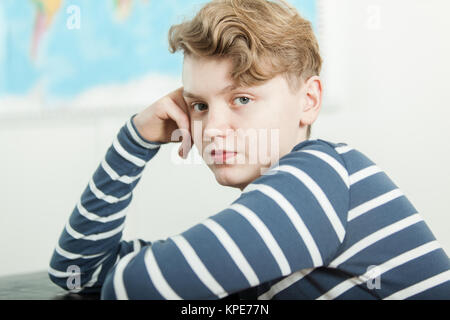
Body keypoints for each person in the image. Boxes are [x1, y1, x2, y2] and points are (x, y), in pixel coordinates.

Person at [48, 0, 450, 299]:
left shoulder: (320, 175)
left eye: (241, 98)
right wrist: (134, 140)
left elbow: (131, 289)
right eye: (200, 106)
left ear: (308, 100)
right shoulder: (267, 218)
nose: (212, 129)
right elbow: (78, 272)